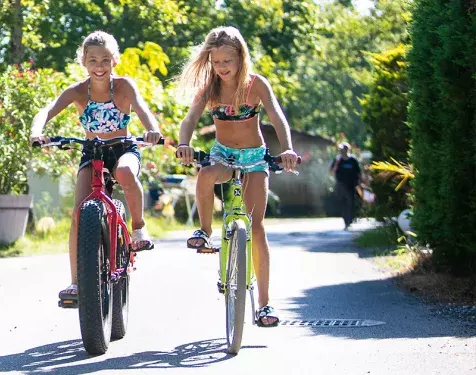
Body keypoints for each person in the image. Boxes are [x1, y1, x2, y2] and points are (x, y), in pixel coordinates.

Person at [173, 26, 299, 327]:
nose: (222, 67)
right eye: (216, 62)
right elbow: (190, 119)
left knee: (257, 227)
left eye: (227, 61)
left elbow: (277, 117)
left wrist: (287, 149)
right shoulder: (210, 88)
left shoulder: (256, 84)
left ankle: (265, 305)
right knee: (205, 174)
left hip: (254, 158)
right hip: (223, 155)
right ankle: (205, 231)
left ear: (241, 57)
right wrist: (184, 143)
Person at [29, 30, 163, 307]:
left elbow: (142, 110)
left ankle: (138, 228)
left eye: (105, 60)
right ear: (84, 61)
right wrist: (36, 132)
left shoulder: (124, 86)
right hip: (92, 152)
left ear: (114, 60)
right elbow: (46, 111)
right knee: (79, 214)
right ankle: (76, 282)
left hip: (123, 148)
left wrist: (152, 130)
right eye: (93, 60)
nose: (99, 66)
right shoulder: (77, 91)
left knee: (125, 173)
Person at [330, 143, 362, 230]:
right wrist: (337, 163)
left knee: (350, 203)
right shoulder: (338, 159)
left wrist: (359, 184)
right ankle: (346, 221)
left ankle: (349, 221)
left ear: (347, 150)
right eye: (340, 149)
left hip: (351, 185)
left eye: (343, 149)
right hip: (340, 185)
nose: (341, 151)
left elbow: (358, 173)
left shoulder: (353, 160)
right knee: (343, 203)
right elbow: (331, 171)